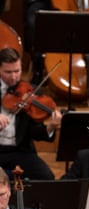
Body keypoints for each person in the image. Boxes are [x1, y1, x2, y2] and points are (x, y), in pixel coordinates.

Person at [0, 47, 61, 180]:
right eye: (8, 72)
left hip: (19, 151)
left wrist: (50, 127)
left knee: (46, 177)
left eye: (17, 71)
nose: (14, 77)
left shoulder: (29, 92)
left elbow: (33, 131)